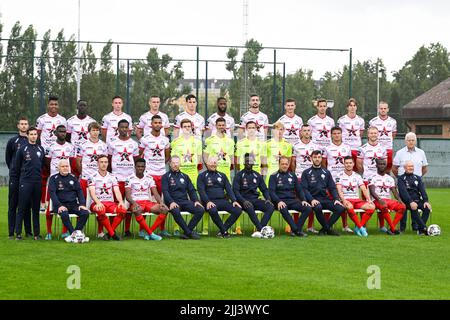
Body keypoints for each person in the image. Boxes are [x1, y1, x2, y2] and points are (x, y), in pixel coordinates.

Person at [107, 119, 139, 237]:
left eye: (126, 127)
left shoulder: (134, 143)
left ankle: (127, 229)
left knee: (129, 204)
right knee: (115, 204)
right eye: (122, 127)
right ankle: (112, 229)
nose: (124, 129)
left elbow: (136, 161)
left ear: (129, 129)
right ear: (118, 128)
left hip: (129, 180)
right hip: (117, 178)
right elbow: (109, 159)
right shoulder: (112, 142)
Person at [301, 150, 345, 236]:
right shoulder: (306, 173)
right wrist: (312, 199)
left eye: (319, 157)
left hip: (325, 199)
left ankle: (324, 229)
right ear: (311, 158)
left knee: (340, 208)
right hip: (313, 199)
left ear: (321, 158)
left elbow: (332, 187)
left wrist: (336, 199)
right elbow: (304, 189)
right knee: (318, 207)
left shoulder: (326, 172)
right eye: (315, 157)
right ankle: (328, 229)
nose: (317, 159)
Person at [124, 158, 170, 241]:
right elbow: (128, 196)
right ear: (135, 167)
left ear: (145, 167)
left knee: (165, 209)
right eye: (138, 166)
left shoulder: (149, 178)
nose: (140, 168)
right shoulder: (129, 178)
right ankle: (151, 234)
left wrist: (161, 202)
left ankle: (149, 233)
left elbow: (155, 193)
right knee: (137, 210)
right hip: (136, 202)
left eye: (142, 166)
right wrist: (134, 203)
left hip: (147, 202)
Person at [197, 156, 242, 238]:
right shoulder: (202, 176)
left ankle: (223, 230)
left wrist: (234, 200)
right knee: (213, 210)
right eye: (211, 162)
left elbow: (229, 189)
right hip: (209, 202)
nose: (213, 164)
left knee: (238, 209)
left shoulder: (222, 175)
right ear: (207, 164)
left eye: (215, 163)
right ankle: (224, 231)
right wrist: (207, 201)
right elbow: (201, 191)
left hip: (222, 201)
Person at [13, 127, 46, 240]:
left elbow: (41, 166)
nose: (33, 136)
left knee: (36, 209)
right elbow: (16, 167)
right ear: (27, 136)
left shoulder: (41, 149)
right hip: (25, 182)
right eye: (31, 134)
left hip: (37, 182)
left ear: (37, 136)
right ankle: (18, 233)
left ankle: (36, 234)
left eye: (35, 134)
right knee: (22, 207)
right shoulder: (22, 149)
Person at [44, 125, 75, 240]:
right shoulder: (50, 146)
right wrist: (54, 173)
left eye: (64, 132)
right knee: (49, 207)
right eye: (60, 132)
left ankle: (64, 231)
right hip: (54, 179)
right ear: (55, 133)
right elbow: (47, 162)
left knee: (66, 204)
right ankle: (49, 232)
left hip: (67, 180)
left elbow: (71, 162)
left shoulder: (70, 147)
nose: (62, 133)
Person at [36, 95, 67, 212]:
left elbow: (65, 136)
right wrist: (41, 152)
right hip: (45, 155)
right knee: (44, 179)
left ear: (58, 106)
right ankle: (43, 203)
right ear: (48, 105)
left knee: (60, 179)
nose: (53, 106)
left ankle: (61, 202)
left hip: (59, 155)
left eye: (55, 104)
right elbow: (38, 136)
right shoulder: (41, 119)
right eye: (51, 104)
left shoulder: (63, 120)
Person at [162, 156, 204, 240]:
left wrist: (196, 200)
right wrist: (171, 202)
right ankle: (189, 233)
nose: (175, 165)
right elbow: (165, 191)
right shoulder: (166, 176)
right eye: (173, 163)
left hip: (184, 201)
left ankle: (186, 232)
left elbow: (191, 190)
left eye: (177, 163)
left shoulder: (185, 176)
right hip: (172, 202)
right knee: (176, 210)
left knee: (200, 209)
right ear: (170, 164)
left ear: (180, 164)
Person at [233, 153, 275, 237]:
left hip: (255, 199)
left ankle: (260, 229)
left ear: (253, 162)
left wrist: (267, 198)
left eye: (251, 161)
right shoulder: (239, 175)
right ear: (244, 162)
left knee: (270, 207)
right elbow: (235, 191)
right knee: (250, 206)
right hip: (243, 200)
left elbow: (264, 189)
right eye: (247, 161)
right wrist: (243, 201)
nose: (249, 162)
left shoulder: (257, 175)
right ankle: (262, 230)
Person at [269, 156, 312, 237]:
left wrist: (303, 200)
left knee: (308, 208)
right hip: (280, 201)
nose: (284, 166)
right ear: (279, 165)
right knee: (283, 208)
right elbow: (271, 192)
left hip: (292, 200)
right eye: (282, 164)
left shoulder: (292, 175)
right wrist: (278, 201)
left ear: (288, 165)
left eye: (286, 164)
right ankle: (296, 230)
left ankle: (296, 229)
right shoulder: (273, 176)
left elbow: (299, 190)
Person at [48, 160, 89, 240]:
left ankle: (76, 233)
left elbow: (79, 191)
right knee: (64, 214)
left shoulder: (73, 177)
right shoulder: (53, 178)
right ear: (58, 168)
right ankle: (73, 233)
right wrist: (59, 206)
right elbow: (52, 194)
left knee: (85, 213)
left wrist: (82, 204)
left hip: (73, 204)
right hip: (60, 205)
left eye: (67, 166)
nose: (65, 168)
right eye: (63, 166)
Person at [321, 126, 353, 233]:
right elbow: (324, 164)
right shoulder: (327, 148)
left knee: (344, 202)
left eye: (338, 133)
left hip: (344, 180)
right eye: (334, 133)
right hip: (331, 180)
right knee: (329, 202)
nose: (336, 135)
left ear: (341, 134)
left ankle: (345, 225)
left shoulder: (347, 147)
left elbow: (349, 163)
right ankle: (327, 225)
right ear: (331, 135)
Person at [335, 156, 376, 237]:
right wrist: (343, 200)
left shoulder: (357, 176)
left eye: (350, 163)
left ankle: (358, 227)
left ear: (353, 164)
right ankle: (361, 228)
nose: (348, 165)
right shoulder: (339, 175)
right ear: (344, 164)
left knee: (372, 206)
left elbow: (363, 188)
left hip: (356, 200)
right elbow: (339, 190)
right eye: (346, 163)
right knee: (349, 206)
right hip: (346, 200)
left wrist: (368, 199)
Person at [290, 124, 320, 234]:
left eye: (308, 130)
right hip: (298, 176)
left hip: (312, 177)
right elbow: (293, 162)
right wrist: (294, 175)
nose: (307, 132)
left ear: (311, 132)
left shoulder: (315, 146)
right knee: (298, 201)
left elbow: (318, 161)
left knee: (311, 200)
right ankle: (296, 225)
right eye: (304, 131)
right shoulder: (296, 145)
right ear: (300, 132)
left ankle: (310, 226)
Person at [88, 155, 124, 241]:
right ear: (97, 163)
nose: (104, 164)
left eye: (105, 162)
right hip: (96, 203)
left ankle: (108, 233)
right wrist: (98, 202)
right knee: (100, 209)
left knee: (123, 210)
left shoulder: (112, 176)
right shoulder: (92, 176)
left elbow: (117, 190)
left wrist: (121, 201)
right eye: (101, 162)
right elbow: (92, 193)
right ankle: (113, 234)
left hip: (110, 203)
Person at [6, 117, 31, 239]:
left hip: (27, 177)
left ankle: (28, 231)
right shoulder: (12, 141)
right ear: (18, 126)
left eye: (26, 124)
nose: (24, 126)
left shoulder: (31, 140)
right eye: (22, 124)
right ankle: (11, 232)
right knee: (13, 204)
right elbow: (8, 159)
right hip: (15, 177)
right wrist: (14, 170)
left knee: (26, 205)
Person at [368, 158, 406, 235]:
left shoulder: (390, 178)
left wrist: (399, 200)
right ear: (376, 165)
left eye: (383, 164)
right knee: (384, 206)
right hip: (377, 200)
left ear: (386, 166)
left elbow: (394, 191)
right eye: (380, 164)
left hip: (388, 200)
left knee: (402, 207)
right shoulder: (372, 177)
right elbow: (372, 192)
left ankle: (391, 228)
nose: (382, 166)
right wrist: (379, 199)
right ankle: (393, 229)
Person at [397, 161, 432, 235]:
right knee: (414, 207)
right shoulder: (401, 178)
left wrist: (426, 201)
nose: (411, 168)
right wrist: (410, 201)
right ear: (405, 168)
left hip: (417, 200)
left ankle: (420, 229)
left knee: (427, 208)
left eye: (412, 166)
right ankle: (424, 228)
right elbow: (403, 192)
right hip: (405, 202)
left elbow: (422, 190)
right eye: (409, 166)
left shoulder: (417, 178)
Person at [76, 122, 108, 198]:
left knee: (97, 199)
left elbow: (105, 161)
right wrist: (82, 172)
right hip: (85, 176)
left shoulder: (103, 145)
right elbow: (78, 162)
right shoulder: (82, 145)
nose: (95, 132)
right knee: (84, 199)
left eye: (97, 130)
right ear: (89, 132)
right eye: (93, 130)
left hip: (98, 177)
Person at [66, 99, 96, 176]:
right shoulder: (70, 121)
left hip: (87, 155)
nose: (82, 107)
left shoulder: (92, 121)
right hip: (74, 155)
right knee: (73, 177)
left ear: (87, 108)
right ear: (77, 107)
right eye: (80, 105)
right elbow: (67, 138)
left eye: (84, 105)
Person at [369, 101, 397, 171]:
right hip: (377, 148)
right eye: (381, 108)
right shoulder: (373, 121)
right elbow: (370, 135)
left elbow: (393, 134)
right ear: (378, 109)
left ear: (388, 109)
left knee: (387, 168)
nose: (383, 110)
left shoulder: (393, 121)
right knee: (376, 167)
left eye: (385, 108)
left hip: (388, 148)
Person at [337, 98, 365, 164]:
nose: (352, 107)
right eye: (350, 105)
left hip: (356, 148)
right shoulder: (341, 120)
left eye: (354, 105)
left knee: (357, 168)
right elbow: (338, 134)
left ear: (356, 107)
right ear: (347, 107)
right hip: (345, 148)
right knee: (346, 167)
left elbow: (361, 134)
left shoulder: (361, 120)